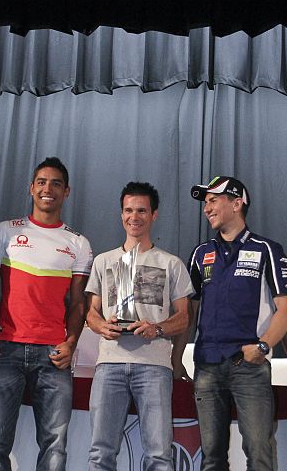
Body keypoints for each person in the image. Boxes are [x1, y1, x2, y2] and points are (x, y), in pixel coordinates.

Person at [0, 157, 93, 471]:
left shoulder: (78, 243)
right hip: (5, 348)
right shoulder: (5, 231)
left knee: (55, 446)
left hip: (54, 353)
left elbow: (78, 304)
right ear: (31, 188)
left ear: (66, 192)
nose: (48, 189)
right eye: (42, 182)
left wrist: (70, 343)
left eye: (56, 184)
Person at [187, 175, 287, 471]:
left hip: (248, 365)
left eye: (213, 200)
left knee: (259, 453)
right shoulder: (200, 253)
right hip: (207, 364)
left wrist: (263, 347)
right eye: (205, 202)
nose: (207, 208)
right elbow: (189, 311)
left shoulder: (267, 249)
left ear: (237, 204)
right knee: (211, 456)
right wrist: (176, 358)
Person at [85, 182, 193, 471]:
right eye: (129, 210)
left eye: (142, 211)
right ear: (121, 214)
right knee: (100, 453)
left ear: (154, 215)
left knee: (159, 454)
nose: (134, 217)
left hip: (154, 366)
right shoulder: (103, 261)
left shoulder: (171, 263)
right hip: (110, 364)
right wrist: (102, 327)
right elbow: (91, 313)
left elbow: (184, 317)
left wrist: (156, 329)